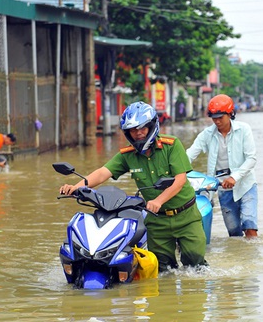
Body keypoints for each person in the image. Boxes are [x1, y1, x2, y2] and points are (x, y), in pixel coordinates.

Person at [59, 102, 207, 272]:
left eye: (143, 127)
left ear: (152, 126)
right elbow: (102, 173)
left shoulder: (171, 145)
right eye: (133, 129)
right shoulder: (127, 155)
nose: (138, 133)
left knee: (195, 265)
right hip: (156, 220)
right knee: (163, 270)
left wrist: (158, 200)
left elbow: (180, 180)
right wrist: (76, 187)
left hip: (186, 216)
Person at [186, 94, 259, 238]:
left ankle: (252, 258)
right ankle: (238, 259)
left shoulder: (244, 129)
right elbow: (189, 155)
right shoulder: (206, 134)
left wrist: (234, 177)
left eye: (221, 117)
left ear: (230, 114)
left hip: (246, 185)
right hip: (222, 187)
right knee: (234, 234)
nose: (217, 121)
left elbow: (252, 158)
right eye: (214, 118)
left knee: (250, 226)